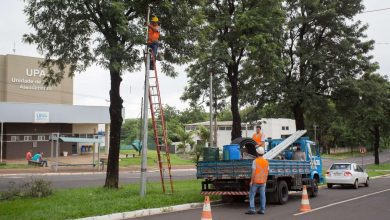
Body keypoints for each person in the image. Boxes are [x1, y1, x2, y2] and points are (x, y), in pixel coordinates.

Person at [246, 147, 269, 215]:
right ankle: (262, 210)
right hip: (263, 181)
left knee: (252, 195)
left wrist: (251, 181)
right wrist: (265, 180)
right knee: (262, 195)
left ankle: (252, 209)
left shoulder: (255, 161)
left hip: (256, 181)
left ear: (257, 153)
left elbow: (253, 172)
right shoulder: (266, 162)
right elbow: (267, 172)